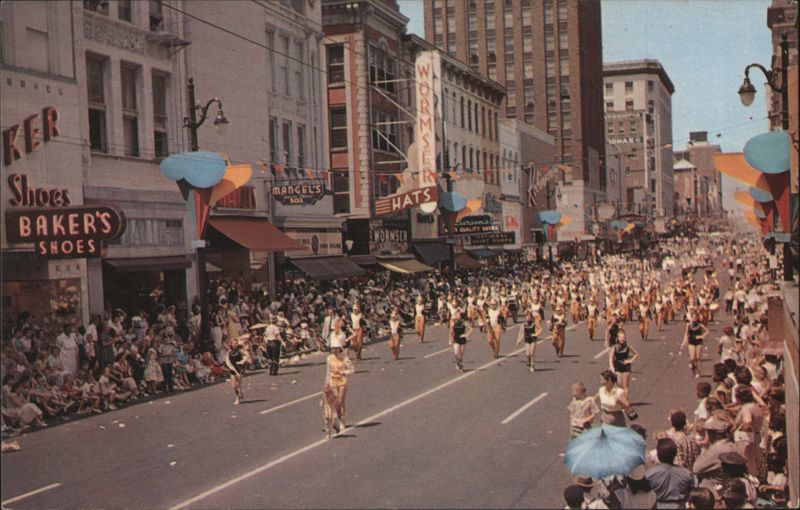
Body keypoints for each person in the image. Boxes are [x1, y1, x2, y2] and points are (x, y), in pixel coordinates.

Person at [646, 438, 694, 509]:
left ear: (658, 455)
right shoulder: (686, 474)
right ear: (675, 454)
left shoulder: (650, 474)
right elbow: (690, 493)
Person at [325, 346, 353, 431]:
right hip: (333, 381)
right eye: (332, 348)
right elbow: (328, 371)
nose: (334, 350)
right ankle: (338, 418)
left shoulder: (345, 358)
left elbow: (352, 369)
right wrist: (326, 382)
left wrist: (343, 372)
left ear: (339, 349)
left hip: (342, 381)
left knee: (341, 401)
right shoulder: (329, 358)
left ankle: (342, 420)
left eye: (336, 348)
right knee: (335, 401)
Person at [609, 330, 639, 400]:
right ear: (618, 338)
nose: (623, 339)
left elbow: (637, 354)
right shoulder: (614, 347)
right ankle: (620, 400)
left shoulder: (628, 346)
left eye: (624, 337)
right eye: (621, 337)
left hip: (626, 367)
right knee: (619, 384)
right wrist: (611, 366)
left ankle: (626, 400)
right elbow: (611, 357)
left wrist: (630, 360)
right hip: (618, 366)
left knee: (626, 385)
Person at [680, 312, 709, 378]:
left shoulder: (700, 324)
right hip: (691, 341)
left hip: (698, 341)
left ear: (697, 318)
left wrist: (702, 336)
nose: (694, 318)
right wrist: (684, 343)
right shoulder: (688, 324)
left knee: (698, 357)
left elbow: (707, 331)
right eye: (693, 317)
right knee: (692, 358)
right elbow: (686, 334)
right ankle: (693, 367)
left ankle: (698, 372)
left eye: (695, 317)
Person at [224, 336, 250, 405]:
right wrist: (232, 369)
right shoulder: (229, 352)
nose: (235, 344)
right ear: (231, 344)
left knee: (238, 384)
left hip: (239, 368)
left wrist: (242, 361)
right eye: (234, 343)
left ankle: (237, 398)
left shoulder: (239, 350)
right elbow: (228, 362)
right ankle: (240, 392)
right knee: (234, 386)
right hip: (233, 368)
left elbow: (247, 355)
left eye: (236, 343)